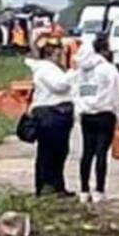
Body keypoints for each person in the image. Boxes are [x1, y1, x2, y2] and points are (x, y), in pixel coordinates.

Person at [74, 35, 119, 204]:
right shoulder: (109, 70)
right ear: (105, 50)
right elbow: (118, 94)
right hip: (105, 115)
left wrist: (78, 112)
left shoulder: (83, 71)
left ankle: (84, 190)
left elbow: (76, 92)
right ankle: (99, 190)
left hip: (87, 115)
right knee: (101, 154)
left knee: (86, 152)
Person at [25, 37, 74, 196]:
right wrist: (73, 73)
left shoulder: (54, 68)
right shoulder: (45, 68)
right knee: (49, 152)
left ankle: (57, 185)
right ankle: (46, 186)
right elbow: (59, 86)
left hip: (58, 113)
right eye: (59, 50)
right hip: (50, 114)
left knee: (60, 151)